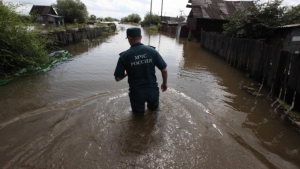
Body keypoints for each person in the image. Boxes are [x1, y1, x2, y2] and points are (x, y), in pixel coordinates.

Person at [114, 27, 168, 115]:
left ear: (129, 38)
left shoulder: (124, 56)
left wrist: (127, 73)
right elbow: (164, 70)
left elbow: (117, 78)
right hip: (152, 90)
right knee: (154, 113)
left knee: (138, 118)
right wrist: (164, 83)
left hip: (136, 92)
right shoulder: (152, 51)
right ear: (141, 37)